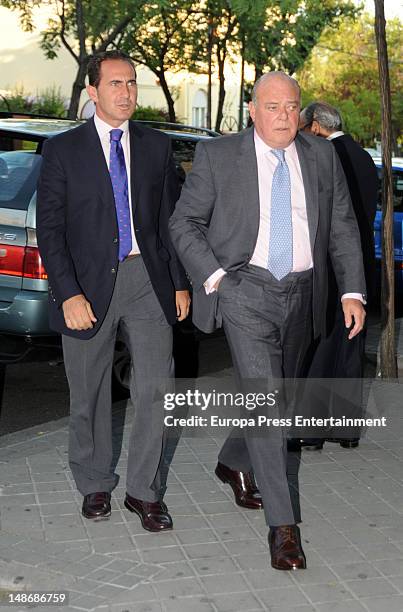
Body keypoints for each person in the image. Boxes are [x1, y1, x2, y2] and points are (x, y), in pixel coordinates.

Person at [169, 72, 366, 570]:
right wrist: (216, 278)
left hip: (303, 293)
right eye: (272, 106)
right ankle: (283, 529)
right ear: (252, 110)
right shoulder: (220, 156)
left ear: (301, 113)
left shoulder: (321, 156)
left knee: (283, 393)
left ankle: (233, 460)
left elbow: (341, 224)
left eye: (291, 107)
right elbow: (183, 222)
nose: (283, 116)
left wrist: (351, 290)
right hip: (244, 290)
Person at [36, 50, 190, 531]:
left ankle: (144, 492)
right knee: (89, 392)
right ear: (93, 91)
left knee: (156, 388)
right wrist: (68, 293)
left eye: (132, 83)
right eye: (116, 84)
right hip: (86, 285)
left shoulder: (156, 146)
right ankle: (94, 482)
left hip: (148, 281)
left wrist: (180, 283)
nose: (126, 93)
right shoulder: (64, 150)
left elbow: (171, 222)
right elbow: (51, 228)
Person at [299, 102, 378, 450]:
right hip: (358, 267)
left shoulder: (324, 156)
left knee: (320, 345)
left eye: (303, 127)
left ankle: (311, 432)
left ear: (315, 126)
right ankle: (346, 431)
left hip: (330, 266)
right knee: (350, 347)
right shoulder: (364, 156)